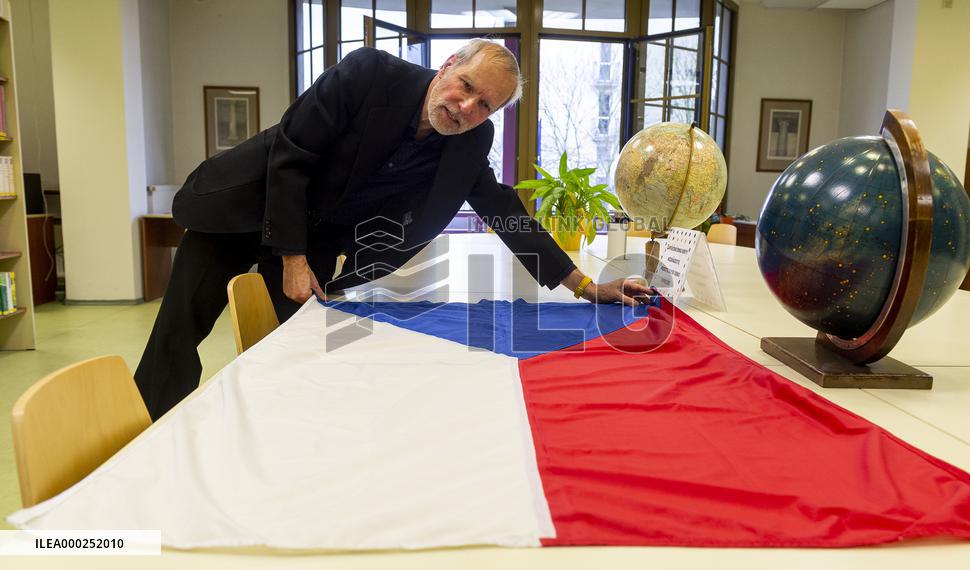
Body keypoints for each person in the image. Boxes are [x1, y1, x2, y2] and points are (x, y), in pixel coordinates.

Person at [135, 40, 654, 420]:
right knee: (179, 331)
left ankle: (278, 435)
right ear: (449, 65)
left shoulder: (469, 140)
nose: (465, 108)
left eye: (485, 106)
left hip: (316, 240)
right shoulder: (370, 74)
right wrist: (291, 256)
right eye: (466, 86)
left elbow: (505, 212)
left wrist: (586, 287)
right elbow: (291, 157)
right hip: (247, 206)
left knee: (300, 343)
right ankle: (144, 443)